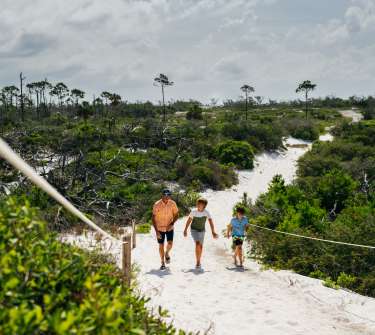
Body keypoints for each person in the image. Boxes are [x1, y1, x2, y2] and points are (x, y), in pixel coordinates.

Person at [183, 198, 218, 269]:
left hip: (202, 230)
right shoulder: (194, 212)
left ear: (204, 206)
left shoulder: (206, 212)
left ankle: (198, 260)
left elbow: (210, 222)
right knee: (197, 244)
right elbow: (189, 220)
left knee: (201, 247)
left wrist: (213, 231)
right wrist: (185, 230)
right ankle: (198, 262)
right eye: (198, 204)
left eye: (200, 204)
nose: (198, 205)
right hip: (194, 230)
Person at [152, 189, 179, 270]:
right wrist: (156, 232)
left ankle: (167, 253)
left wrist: (172, 223)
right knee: (161, 245)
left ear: (170, 195)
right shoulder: (157, 204)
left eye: (168, 195)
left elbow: (177, 214)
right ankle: (162, 262)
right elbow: (153, 218)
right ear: (162, 195)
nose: (166, 196)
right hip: (159, 228)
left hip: (169, 227)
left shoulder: (173, 203)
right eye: (165, 195)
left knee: (170, 244)